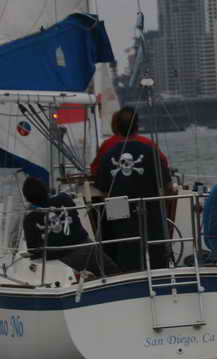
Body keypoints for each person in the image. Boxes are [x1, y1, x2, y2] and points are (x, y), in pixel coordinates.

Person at [91, 106, 175, 272]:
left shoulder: (108, 152)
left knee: (124, 249)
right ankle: (160, 274)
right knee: (156, 249)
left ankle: (125, 276)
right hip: (150, 206)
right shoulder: (150, 149)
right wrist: (162, 205)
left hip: (118, 206)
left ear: (116, 126)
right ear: (137, 125)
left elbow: (102, 190)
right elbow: (168, 186)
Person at [22, 177, 119, 277]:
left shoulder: (30, 219)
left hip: (63, 260)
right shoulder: (64, 199)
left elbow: (33, 251)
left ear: (28, 198)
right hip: (87, 248)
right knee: (113, 272)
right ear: (45, 189)